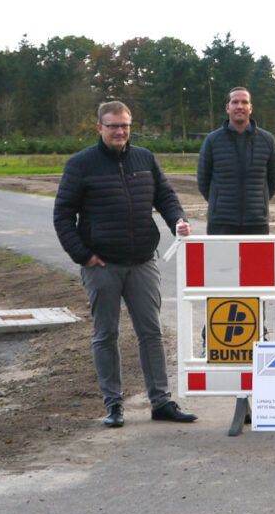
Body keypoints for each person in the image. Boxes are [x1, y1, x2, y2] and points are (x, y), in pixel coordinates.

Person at [53, 101, 197, 427]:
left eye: (125, 126)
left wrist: (178, 220)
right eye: (113, 126)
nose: (120, 131)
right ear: (99, 128)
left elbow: (166, 197)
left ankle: (161, 402)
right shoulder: (80, 165)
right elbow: (62, 215)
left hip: (143, 263)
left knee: (152, 334)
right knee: (106, 335)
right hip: (101, 266)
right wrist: (83, 256)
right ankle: (113, 404)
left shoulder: (145, 159)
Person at [197, 87, 275, 235]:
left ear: (251, 108)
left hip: (256, 223)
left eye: (244, 102)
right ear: (227, 108)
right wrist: (218, 203)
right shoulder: (212, 140)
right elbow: (203, 180)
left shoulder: (267, 140)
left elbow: (274, 180)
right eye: (235, 102)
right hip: (221, 222)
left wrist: (259, 204)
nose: (240, 106)